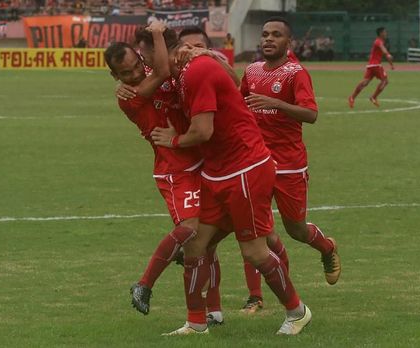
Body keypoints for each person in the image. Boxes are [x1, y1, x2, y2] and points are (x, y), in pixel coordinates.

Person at [149, 31, 311, 337]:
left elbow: (203, 131)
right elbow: (233, 85)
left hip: (244, 169)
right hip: (218, 172)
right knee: (197, 244)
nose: (151, 66)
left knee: (254, 252)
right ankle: (197, 323)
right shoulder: (184, 74)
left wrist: (173, 140)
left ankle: (297, 311)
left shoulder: (197, 70)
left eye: (151, 57)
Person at [104, 21, 217, 318]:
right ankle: (144, 284)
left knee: (209, 237)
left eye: (136, 65)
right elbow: (165, 72)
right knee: (191, 229)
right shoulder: (129, 96)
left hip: (200, 160)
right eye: (125, 73)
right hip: (175, 169)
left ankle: (213, 310)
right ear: (115, 76)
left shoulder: (154, 71)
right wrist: (157, 31)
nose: (135, 74)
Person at [239, 16, 341, 314]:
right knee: (249, 230)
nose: (268, 39)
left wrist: (278, 104)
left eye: (276, 35)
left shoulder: (296, 73)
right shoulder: (252, 71)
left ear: (288, 43)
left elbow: (311, 114)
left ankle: (327, 248)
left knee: (295, 228)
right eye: (265, 34)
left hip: (289, 165)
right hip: (256, 162)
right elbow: (238, 103)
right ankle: (255, 297)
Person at [348, 27, 394, 108]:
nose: (386, 34)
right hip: (376, 65)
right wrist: (388, 55)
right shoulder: (378, 41)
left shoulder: (380, 42)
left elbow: (385, 53)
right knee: (385, 81)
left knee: (365, 82)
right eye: (384, 32)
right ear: (380, 33)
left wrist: (391, 64)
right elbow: (384, 51)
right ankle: (373, 97)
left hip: (371, 65)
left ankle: (352, 97)